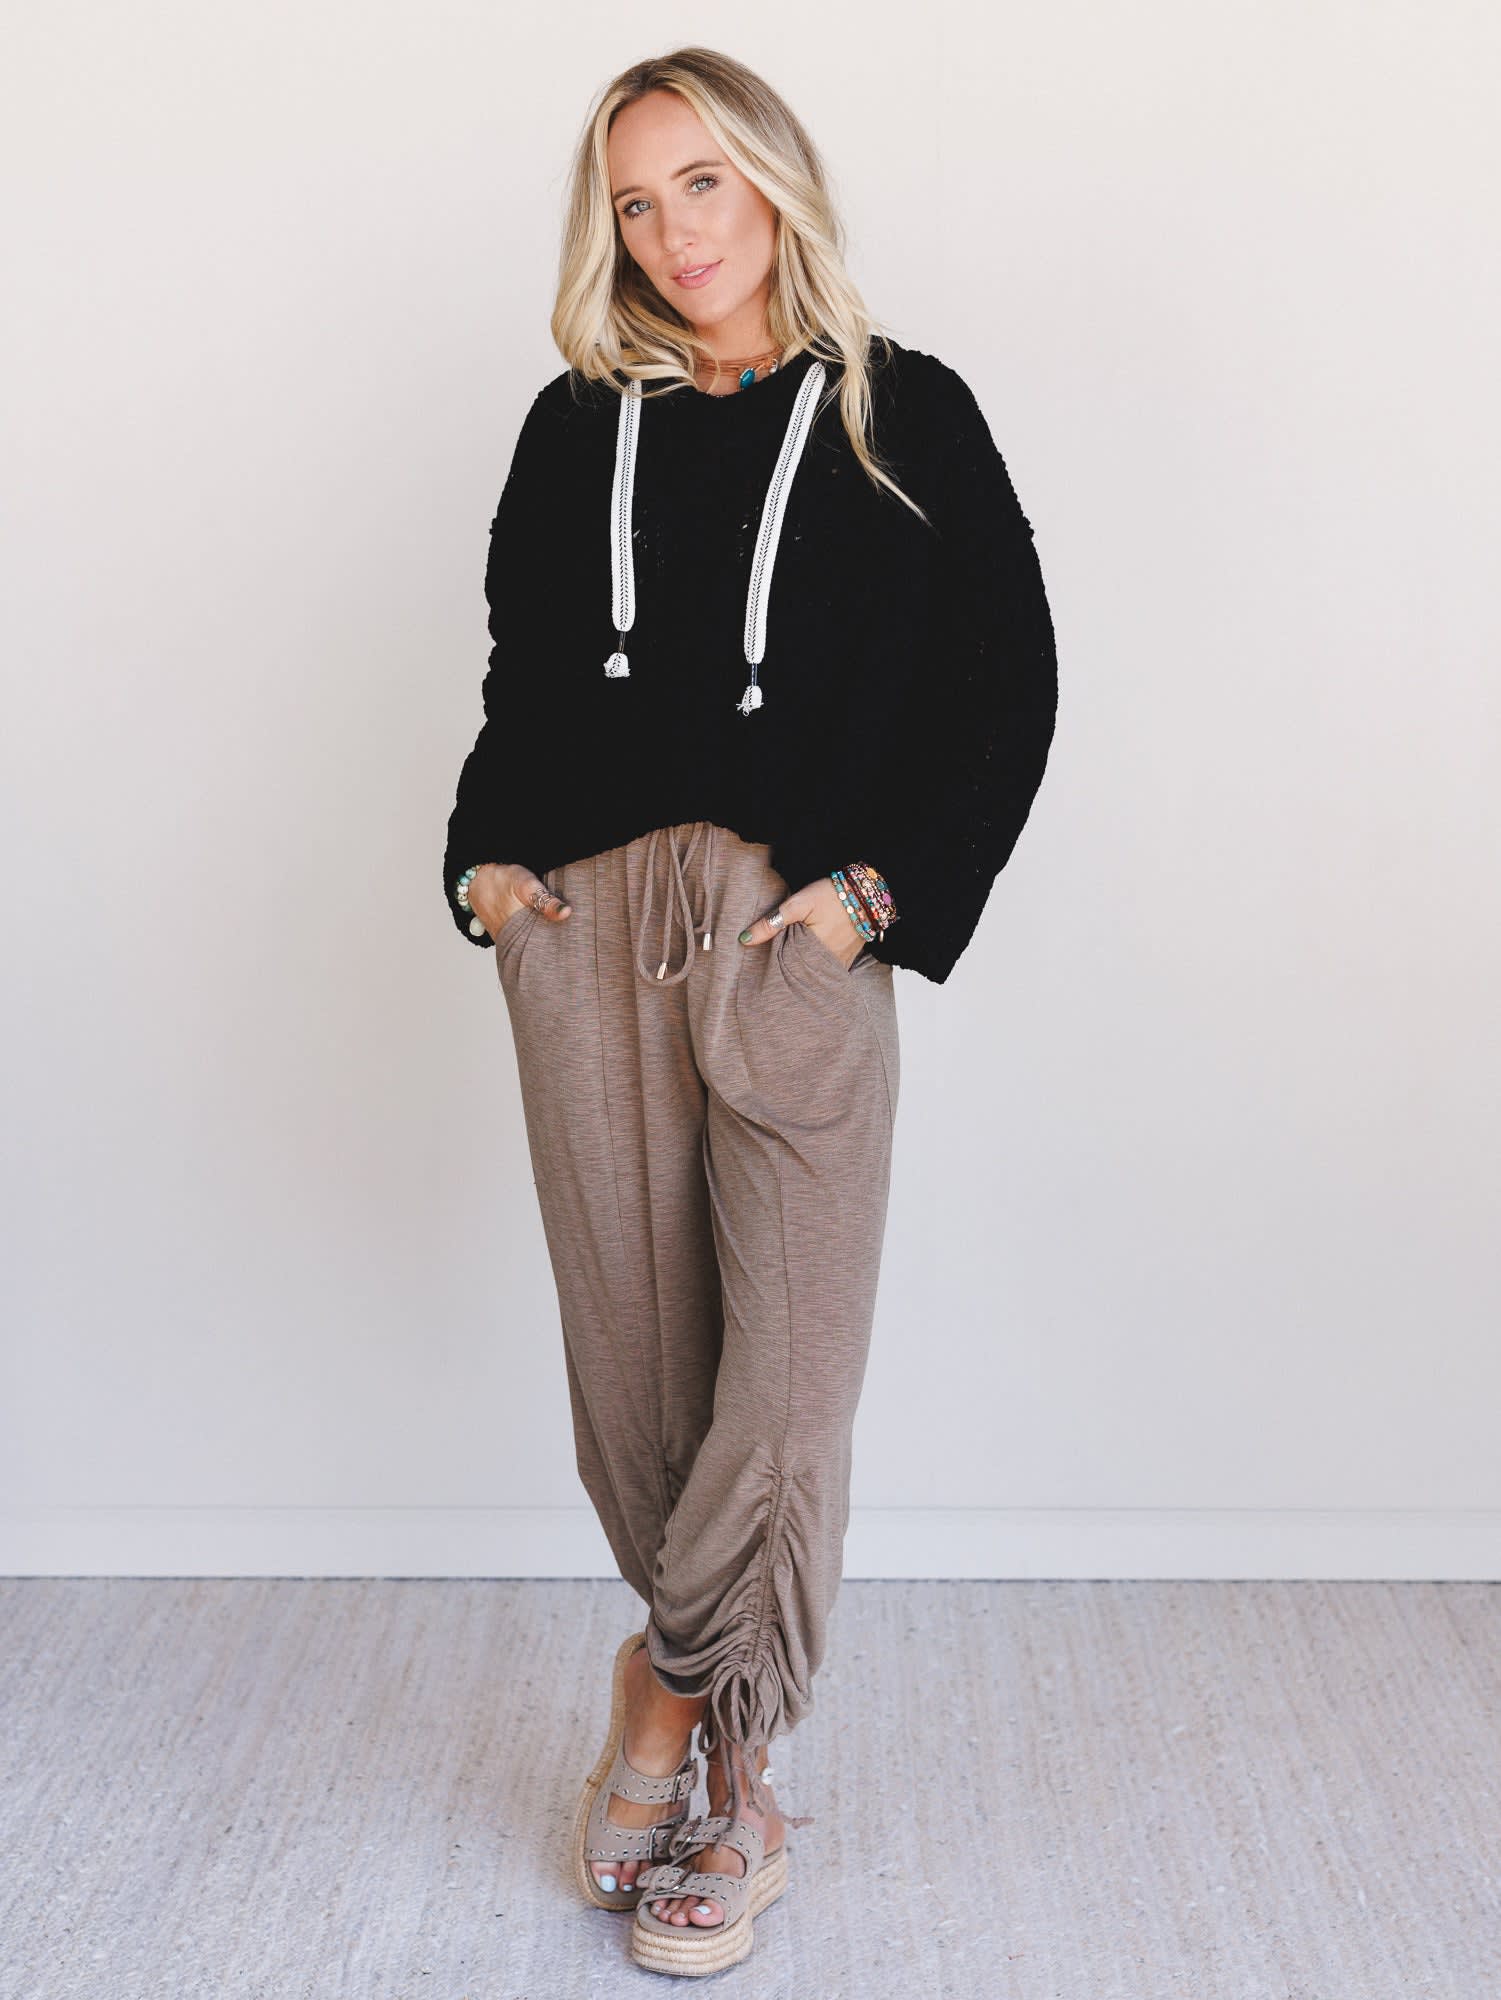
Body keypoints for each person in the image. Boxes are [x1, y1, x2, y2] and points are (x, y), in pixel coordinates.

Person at [442, 44, 1058, 1977]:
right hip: (586, 926)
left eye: (699, 182)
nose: (671, 232)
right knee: (642, 1377)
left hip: (790, 927)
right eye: (634, 202)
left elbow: (1011, 682)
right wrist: (486, 873)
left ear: (773, 180)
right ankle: (731, 1773)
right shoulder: (574, 427)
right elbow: (521, 674)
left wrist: (873, 899)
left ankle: (677, 1703)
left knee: (781, 1385)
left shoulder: (903, 411)